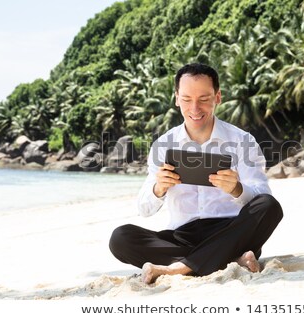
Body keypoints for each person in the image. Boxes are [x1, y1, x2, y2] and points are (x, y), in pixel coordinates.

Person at [109, 63, 283, 284]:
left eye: (204, 99)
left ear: (217, 97)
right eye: (187, 99)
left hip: (231, 230)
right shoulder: (163, 145)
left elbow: (262, 197)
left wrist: (236, 189)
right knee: (121, 238)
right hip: (181, 237)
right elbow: (144, 209)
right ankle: (229, 259)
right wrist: (159, 188)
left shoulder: (242, 141)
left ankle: (177, 269)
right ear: (176, 99)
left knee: (269, 206)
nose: (195, 108)